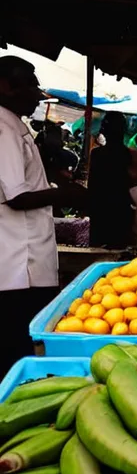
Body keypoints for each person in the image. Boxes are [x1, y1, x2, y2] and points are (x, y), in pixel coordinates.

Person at [0, 56, 60, 375]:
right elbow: (18, 196)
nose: (36, 94)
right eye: (29, 84)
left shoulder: (13, 126)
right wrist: (66, 194)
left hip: (24, 260)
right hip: (18, 266)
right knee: (15, 347)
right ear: (6, 86)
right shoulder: (3, 129)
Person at [88, 111, 133, 248]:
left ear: (104, 131)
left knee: (98, 249)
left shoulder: (97, 154)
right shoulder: (128, 155)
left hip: (101, 209)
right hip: (120, 209)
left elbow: (92, 186)